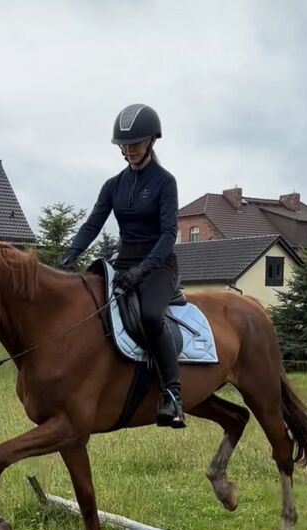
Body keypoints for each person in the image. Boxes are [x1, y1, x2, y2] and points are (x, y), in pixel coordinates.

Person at [59, 103, 185, 428]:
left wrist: (142, 271)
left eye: (136, 143)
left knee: (150, 315)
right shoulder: (113, 185)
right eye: (124, 145)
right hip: (124, 263)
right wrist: (69, 255)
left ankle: (172, 395)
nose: (129, 150)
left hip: (158, 267)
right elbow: (92, 225)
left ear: (152, 141)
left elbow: (169, 234)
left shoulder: (164, 182)